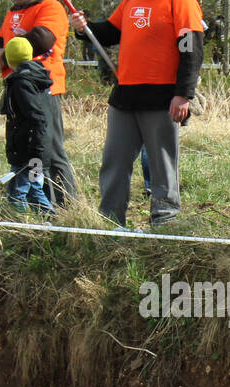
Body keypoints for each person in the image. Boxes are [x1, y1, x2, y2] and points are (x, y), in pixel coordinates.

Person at [67, 1, 203, 228]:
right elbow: (109, 33)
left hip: (162, 97)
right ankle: (110, 221)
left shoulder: (181, 3)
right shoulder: (130, 2)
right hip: (125, 97)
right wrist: (84, 27)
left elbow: (192, 47)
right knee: (114, 161)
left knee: (162, 164)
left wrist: (184, 94)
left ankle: (165, 222)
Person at [0, 0, 75, 207]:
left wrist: (5, 53)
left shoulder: (50, 6)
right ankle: (36, 206)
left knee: (49, 149)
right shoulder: (15, 10)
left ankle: (64, 207)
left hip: (42, 89)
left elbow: (42, 38)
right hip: (16, 87)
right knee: (23, 147)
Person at [0, 37, 54, 215]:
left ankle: (23, 228)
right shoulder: (36, 78)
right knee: (34, 190)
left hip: (28, 152)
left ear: (9, 59)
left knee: (16, 194)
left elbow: (35, 117)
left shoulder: (22, 84)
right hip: (37, 149)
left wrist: (32, 151)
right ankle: (50, 222)